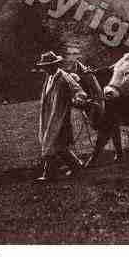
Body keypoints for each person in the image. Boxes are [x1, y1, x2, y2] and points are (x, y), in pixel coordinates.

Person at [36, 51, 88, 181]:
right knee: (58, 146)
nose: (45, 69)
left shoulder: (64, 77)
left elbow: (79, 91)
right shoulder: (50, 77)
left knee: (53, 144)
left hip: (60, 116)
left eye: (47, 66)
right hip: (49, 116)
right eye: (44, 66)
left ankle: (49, 175)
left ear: (54, 65)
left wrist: (79, 99)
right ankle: (76, 166)